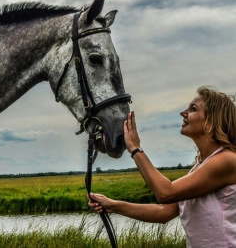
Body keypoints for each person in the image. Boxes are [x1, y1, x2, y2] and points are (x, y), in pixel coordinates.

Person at [88, 86, 236, 248]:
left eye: (193, 109)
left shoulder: (227, 160)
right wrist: (113, 205)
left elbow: (166, 193)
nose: (183, 113)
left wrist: (135, 148)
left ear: (212, 120)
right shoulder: (200, 167)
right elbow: (164, 212)